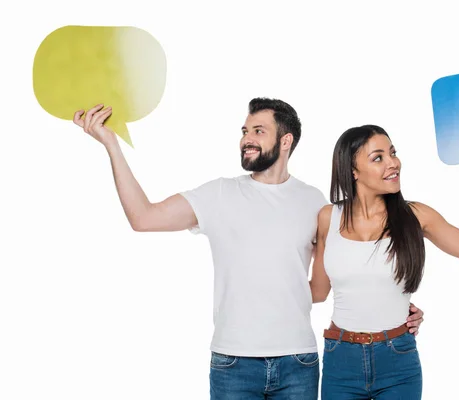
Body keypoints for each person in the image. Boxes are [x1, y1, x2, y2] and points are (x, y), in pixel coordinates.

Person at [72, 100, 425, 399]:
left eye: (258, 131)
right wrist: (111, 145)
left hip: (299, 362)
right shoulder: (219, 194)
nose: (246, 139)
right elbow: (143, 217)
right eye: (244, 132)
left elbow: (331, 281)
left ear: (285, 141)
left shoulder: (315, 204)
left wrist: (391, 305)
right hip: (233, 363)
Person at [309, 125, 459, 399]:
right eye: (378, 157)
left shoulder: (416, 216)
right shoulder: (328, 218)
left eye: (393, 153)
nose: (393, 163)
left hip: (397, 358)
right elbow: (318, 292)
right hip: (341, 358)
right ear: (352, 170)